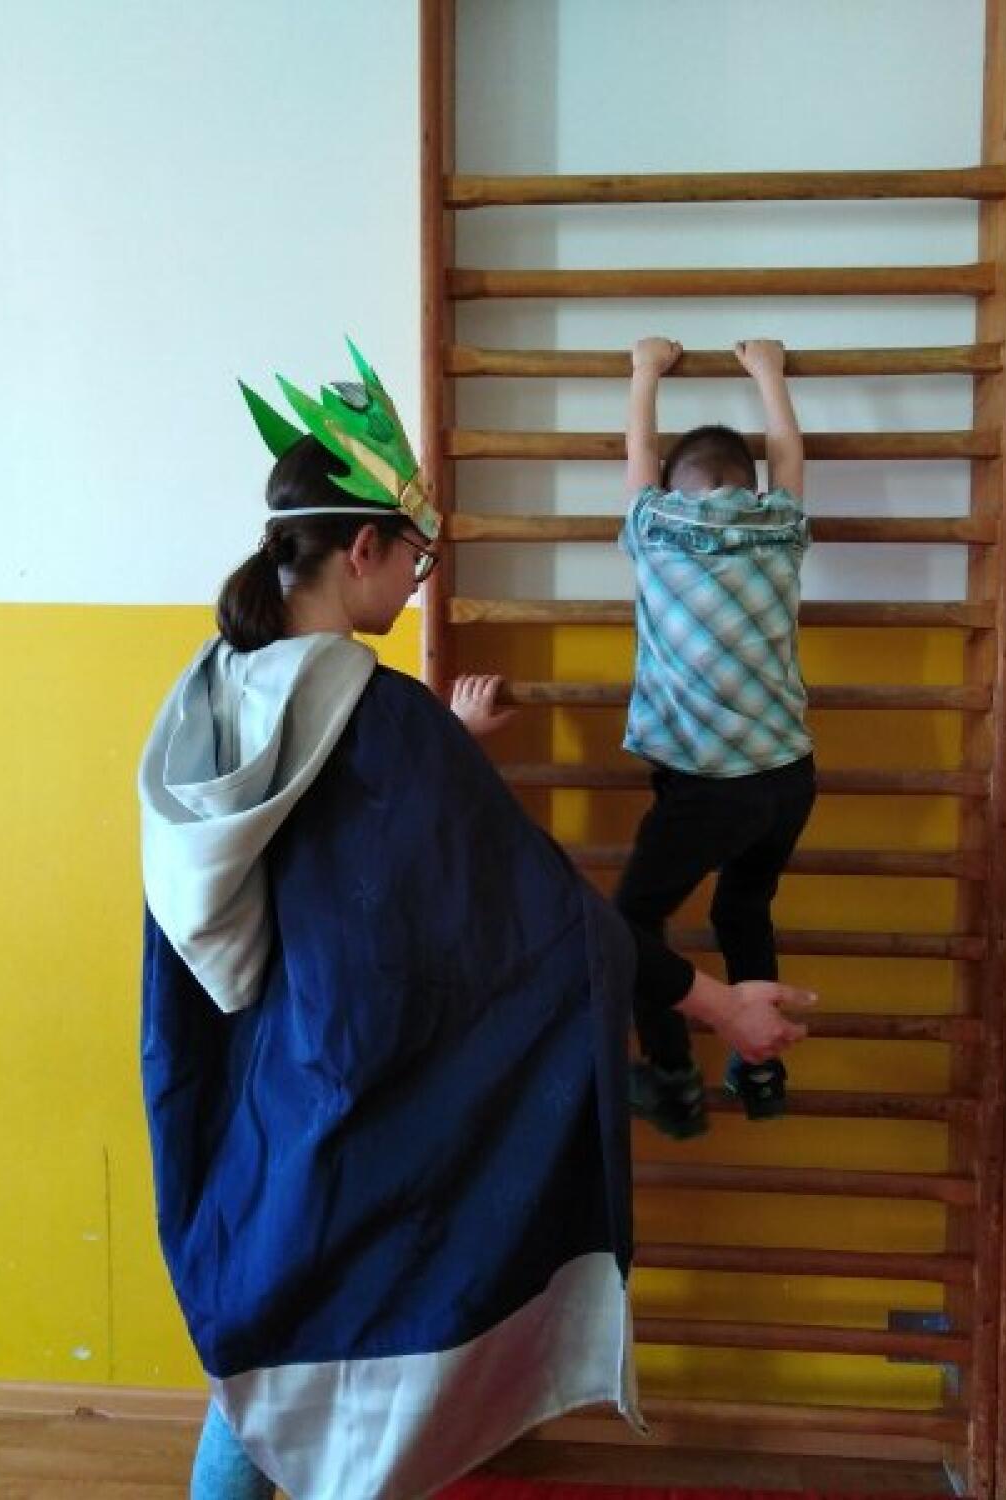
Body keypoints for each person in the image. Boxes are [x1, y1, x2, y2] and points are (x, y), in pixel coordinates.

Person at [138, 340, 814, 1500]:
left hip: (262, 1087)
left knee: (267, 1334)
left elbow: (323, 828)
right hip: (363, 1095)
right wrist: (715, 1004)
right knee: (345, 1342)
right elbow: (550, 919)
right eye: (415, 556)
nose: (418, 580)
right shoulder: (385, 723)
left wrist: (444, 752)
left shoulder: (214, 686)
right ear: (362, 548)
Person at [617, 336, 817, 1139]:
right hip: (789, 778)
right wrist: (767, 372)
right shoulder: (780, 525)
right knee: (743, 907)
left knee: (631, 924)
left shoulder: (655, 526)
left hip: (710, 785)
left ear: (674, 488)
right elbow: (789, 454)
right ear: (750, 487)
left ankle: (672, 1077)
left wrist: (644, 372)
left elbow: (636, 451)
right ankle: (761, 1069)